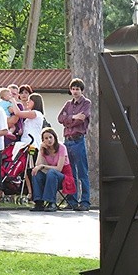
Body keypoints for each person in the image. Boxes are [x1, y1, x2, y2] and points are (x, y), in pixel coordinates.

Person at [57, 78, 91, 211]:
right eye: (73, 89)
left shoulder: (86, 103)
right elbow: (60, 118)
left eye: (77, 89)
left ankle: (85, 202)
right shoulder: (67, 104)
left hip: (78, 139)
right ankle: (72, 201)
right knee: (70, 172)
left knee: (83, 172)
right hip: (67, 140)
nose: (75, 91)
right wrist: (73, 117)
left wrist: (69, 119)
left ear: (81, 90)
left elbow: (82, 118)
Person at [30, 128, 76, 212]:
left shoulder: (61, 147)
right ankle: (39, 202)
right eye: (46, 138)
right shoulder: (44, 149)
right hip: (50, 178)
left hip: (63, 177)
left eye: (50, 137)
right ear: (43, 141)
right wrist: (40, 151)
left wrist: (43, 166)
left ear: (54, 137)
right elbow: (37, 165)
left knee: (52, 172)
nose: (49, 140)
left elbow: (59, 168)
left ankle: (51, 202)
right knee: (36, 172)